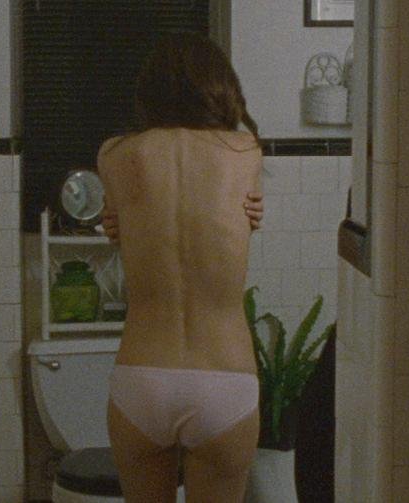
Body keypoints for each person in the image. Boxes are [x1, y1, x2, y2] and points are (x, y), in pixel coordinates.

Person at [95, 32, 267, 502]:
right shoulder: (246, 150)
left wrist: (116, 218)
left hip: (142, 377)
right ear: (220, 87)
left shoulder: (114, 155)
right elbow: (231, 217)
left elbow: (123, 222)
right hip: (225, 378)